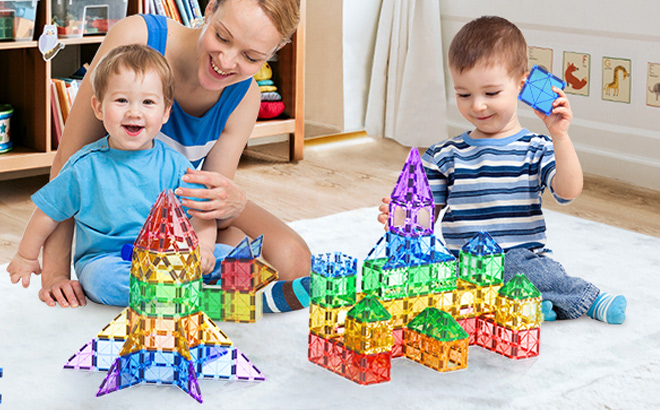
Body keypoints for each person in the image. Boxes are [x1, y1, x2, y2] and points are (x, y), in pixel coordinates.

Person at [35, 0, 310, 312]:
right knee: (245, 258)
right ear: (210, 10)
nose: (227, 60)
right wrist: (55, 273)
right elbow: (67, 164)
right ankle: (208, 292)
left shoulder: (244, 96)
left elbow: (205, 198)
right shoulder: (137, 39)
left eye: (251, 57)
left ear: (275, 50)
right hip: (122, 227)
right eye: (222, 37)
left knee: (294, 263)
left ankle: (211, 286)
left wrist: (235, 206)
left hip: (181, 209)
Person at [378, 16, 626, 324]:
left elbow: (568, 191)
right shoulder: (443, 155)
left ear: (522, 85)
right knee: (433, 283)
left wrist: (559, 136)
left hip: (517, 257)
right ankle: (528, 305)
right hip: (463, 265)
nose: (477, 106)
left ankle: (588, 298)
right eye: (463, 94)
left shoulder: (536, 148)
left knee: (529, 272)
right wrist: (402, 218)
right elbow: (427, 218)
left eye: (491, 93)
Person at [7, 44, 222, 306]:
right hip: (107, 259)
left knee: (230, 256)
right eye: (121, 100)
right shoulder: (84, 166)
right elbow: (48, 214)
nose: (134, 112)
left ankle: (228, 289)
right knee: (102, 281)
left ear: (166, 112)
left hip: (168, 257)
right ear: (98, 107)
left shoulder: (175, 165)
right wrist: (27, 256)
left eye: (148, 102)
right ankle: (188, 295)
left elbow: (200, 215)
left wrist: (205, 249)